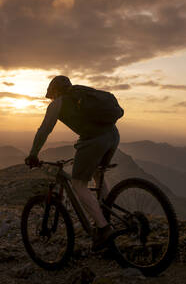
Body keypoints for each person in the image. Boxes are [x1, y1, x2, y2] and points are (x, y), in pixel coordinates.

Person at [25, 75, 121, 251]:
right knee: (97, 174)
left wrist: (33, 154)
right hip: (113, 135)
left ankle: (104, 229)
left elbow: (44, 130)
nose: (52, 99)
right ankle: (108, 216)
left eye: (52, 95)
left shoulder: (58, 103)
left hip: (95, 140)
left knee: (78, 184)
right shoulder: (82, 94)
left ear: (54, 92)